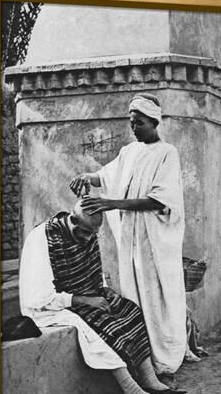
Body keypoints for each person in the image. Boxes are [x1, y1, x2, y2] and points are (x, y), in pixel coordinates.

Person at [19, 201, 189, 394]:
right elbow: (38, 296)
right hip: (53, 305)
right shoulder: (41, 238)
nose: (90, 238)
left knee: (130, 311)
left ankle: (149, 381)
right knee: (103, 325)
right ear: (72, 220)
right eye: (86, 233)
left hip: (86, 294)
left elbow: (94, 271)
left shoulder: (87, 231)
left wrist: (103, 292)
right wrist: (82, 300)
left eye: (93, 234)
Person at [70, 93, 186, 376]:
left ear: (155, 122)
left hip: (154, 239)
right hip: (131, 240)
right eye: (132, 122)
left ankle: (167, 357)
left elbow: (159, 200)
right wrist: (88, 177)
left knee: (159, 295)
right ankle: (144, 357)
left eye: (141, 123)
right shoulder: (129, 152)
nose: (135, 128)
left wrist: (111, 203)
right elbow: (108, 175)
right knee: (134, 294)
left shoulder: (166, 153)